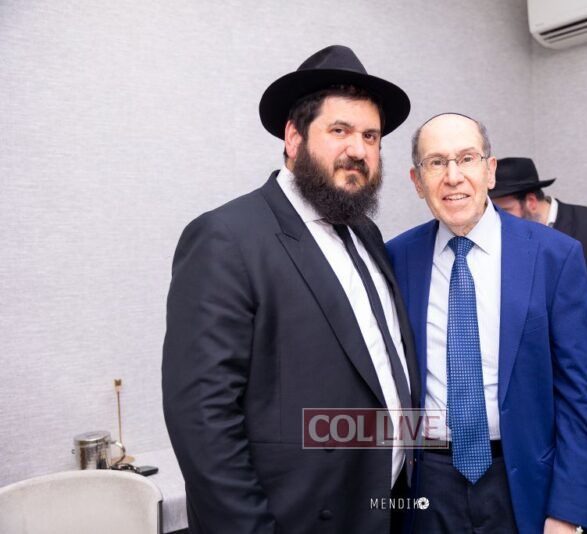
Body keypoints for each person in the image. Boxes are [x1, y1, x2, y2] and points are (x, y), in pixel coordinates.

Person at [162, 45, 421, 534]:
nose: (359, 150)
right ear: (293, 138)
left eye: (370, 136)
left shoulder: (366, 234)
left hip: (384, 510)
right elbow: (202, 419)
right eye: (339, 131)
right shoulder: (227, 237)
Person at [387, 113, 587, 534]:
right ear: (417, 181)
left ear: (490, 170)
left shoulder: (555, 256)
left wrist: (568, 510)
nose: (453, 177)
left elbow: (578, 394)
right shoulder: (396, 258)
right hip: (428, 483)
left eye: (467, 158)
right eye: (436, 162)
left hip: (523, 480)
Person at [490, 157, 587, 534]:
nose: (497, 218)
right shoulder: (502, 241)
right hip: (539, 395)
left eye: (504, 209)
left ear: (531, 201)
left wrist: (570, 326)